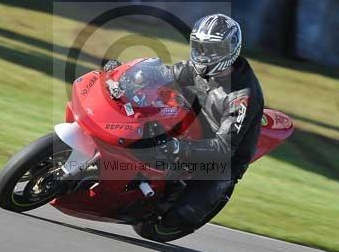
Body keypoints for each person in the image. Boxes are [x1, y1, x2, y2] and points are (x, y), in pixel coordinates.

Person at [105, 13, 264, 231]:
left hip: (222, 158)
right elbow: (164, 74)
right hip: (192, 124)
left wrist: (179, 147)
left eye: (212, 49)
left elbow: (224, 147)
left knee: (182, 215)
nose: (204, 54)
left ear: (230, 49)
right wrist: (126, 74)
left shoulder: (242, 96)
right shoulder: (198, 67)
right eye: (199, 46)